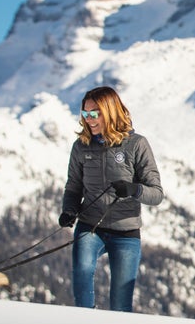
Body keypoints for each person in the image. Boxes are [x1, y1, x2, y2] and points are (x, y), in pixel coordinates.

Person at [58, 86, 163, 312]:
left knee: (120, 304)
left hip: (126, 233)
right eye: (85, 114)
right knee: (82, 275)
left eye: (94, 114)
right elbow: (73, 187)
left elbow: (156, 193)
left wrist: (134, 190)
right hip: (90, 227)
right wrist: (69, 211)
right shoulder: (81, 147)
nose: (89, 120)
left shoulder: (136, 145)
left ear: (109, 112)